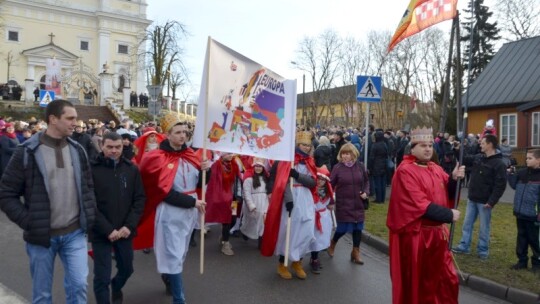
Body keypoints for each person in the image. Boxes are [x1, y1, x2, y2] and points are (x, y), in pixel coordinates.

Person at [0, 99, 96, 304]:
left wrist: (89, 216)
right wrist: (29, 221)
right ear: (53, 119)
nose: (75, 123)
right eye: (70, 118)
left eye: (76, 118)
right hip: (42, 237)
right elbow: (6, 193)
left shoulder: (78, 149)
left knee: (79, 286)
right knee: (42, 294)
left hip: (75, 233)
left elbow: (88, 187)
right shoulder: (26, 151)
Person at [134, 112, 209, 304]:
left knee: (180, 254)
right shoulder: (156, 158)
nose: (182, 136)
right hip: (171, 213)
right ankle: (179, 299)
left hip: (191, 212)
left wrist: (206, 170)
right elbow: (162, 191)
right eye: (177, 132)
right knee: (174, 255)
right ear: (167, 134)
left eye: (184, 131)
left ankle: (168, 276)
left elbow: (197, 183)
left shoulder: (191, 155)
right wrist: (192, 202)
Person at [387, 126, 464, 304]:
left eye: (430, 145)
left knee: (446, 282)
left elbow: (447, 191)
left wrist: (454, 179)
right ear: (412, 148)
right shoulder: (405, 171)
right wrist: (448, 214)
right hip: (418, 238)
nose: (428, 149)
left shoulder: (434, 168)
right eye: (423, 145)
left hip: (438, 237)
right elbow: (418, 204)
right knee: (420, 284)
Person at [90, 132, 145, 304]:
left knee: (127, 269)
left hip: (124, 231)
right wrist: (107, 229)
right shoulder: (92, 169)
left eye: (118, 147)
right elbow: (89, 204)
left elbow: (139, 199)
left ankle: (117, 286)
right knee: (102, 276)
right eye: (110, 147)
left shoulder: (131, 169)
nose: (114, 151)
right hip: (101, 232)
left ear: (123, 146)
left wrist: (129, 226)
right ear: (102, 146)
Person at [261, 131, 317, 280]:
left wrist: (297, 175)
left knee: (306, 230)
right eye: (303, 145)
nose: (306, 147)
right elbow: (279, 180)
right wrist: (289, 200)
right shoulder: (286, 160)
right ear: (297, 144)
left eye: (308, 145)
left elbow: (313, 182)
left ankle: (297, 261)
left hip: (305, 199)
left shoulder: (310, 161)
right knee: (289, 231)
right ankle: (283, 263)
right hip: (290, 198)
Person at [452, 134, 507, 259]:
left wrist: (492, 201)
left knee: (484, 227)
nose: (480, 144)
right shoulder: (479, 157)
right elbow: (464, 159)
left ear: (490, 144)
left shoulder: (499, 164)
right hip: (472, 198)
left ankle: (482, 250)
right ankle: (464, 245)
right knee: (467, 224)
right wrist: (457, 149)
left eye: (482, 143)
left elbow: (500, 185)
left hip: (485, 201)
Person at [327, 143, 369, 264]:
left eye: (348, 153)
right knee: (342, 228)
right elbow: (330, 184)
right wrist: (330, 200)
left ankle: (355, 252)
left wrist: (366, 192)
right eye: (343, 153)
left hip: (358, 203)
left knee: (358, 228)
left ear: (353, 154)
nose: (345, 156)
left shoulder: (360, 167)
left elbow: (366, 182)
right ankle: (333, 243)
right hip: (343, 203)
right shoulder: (337, 168)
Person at [507, 149, 540, 271]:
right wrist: (510, 175)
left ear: (538, 160)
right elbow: (514, 185)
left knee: (534, 239)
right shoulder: (522, 173)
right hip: (520, 213)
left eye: (530, 158)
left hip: (533, 215)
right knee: (521, 238)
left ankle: (537, 263)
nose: (527, 160)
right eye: (526, 158)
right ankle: (522, 261)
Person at [205, 152, 242, 255]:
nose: (230, 156)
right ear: (222, 155)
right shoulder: (216, 166)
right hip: (222, 198)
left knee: (233, 220)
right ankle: (225, 243)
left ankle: (223, 235)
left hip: (233, 198)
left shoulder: (235, 165)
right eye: (228, 154)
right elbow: (211, 181)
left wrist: (239, 194)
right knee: (226, 220)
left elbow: (238, 180)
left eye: (231, 154)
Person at [309, 166, 334, 273]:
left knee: (319, 239)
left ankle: (315, 258)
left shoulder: (328, 193)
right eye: (318, 179)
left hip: (323, 217)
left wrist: (332, 204)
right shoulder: (311, 190)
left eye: (323, 180)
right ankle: (310, 258)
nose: (320, 181)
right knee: (311, 238)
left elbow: (331, 203)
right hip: (312, 216)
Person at [240, 158, 269, 248]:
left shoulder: (266, 179)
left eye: (260, 166)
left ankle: (261, 241)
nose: (258, 168)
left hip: (264, 202)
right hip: (253, 202)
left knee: (262, 222)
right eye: (256, 166)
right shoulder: (249, 179)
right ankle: (244, 231)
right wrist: (251, 205)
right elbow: (246, 194)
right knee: (250, 221)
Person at [368, 131, 388, 203]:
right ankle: (382, 198)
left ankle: (378, 199)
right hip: (384, 165)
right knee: (383, 183)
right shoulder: (384, 144)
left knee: (377, 183)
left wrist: (369, 167)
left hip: (376, 165)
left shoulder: (375, 145)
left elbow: (371, 158)